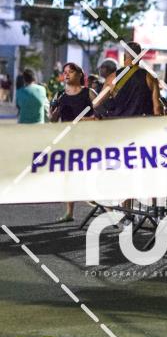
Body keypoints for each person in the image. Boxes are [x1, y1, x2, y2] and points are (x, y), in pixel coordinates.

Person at [49, 62, 96, 222]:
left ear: (80, 74)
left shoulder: (89, 93)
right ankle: (69, 212)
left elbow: (100, 116)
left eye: (70, 71)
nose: (66, 74)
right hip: (68, 140)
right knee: (68, 175)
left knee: (88, 172)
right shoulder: (60, 95)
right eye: (65, 72)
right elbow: (53, 120)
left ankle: (104, 206)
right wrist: (53, 113)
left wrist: (83, 120)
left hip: (87, 140)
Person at [98, 43, 162, 118]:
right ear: (140, 57)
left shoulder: (112, 78)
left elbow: (97, 103)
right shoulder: (150, 78)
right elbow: (157, 107)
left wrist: (106, 114)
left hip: (118, 123)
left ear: (124, 56)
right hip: (142, 123)